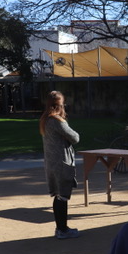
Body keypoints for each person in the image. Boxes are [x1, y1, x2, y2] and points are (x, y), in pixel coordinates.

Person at [39, 90, 81, 239]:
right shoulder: (56, 121)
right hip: (61, 163)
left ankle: (61, 228)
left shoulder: (45, 119)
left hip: (52, 163)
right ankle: (62, 230)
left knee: (58, 196)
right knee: (62, 196)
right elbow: (75, 137)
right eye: (63, 104)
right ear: (59, 105)